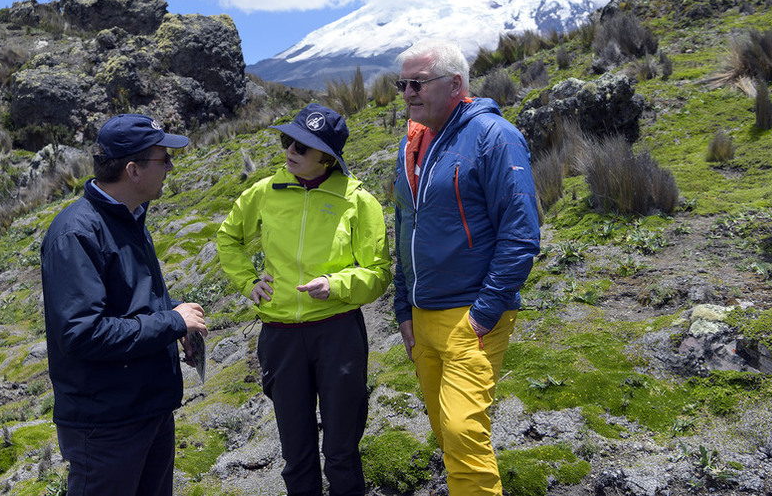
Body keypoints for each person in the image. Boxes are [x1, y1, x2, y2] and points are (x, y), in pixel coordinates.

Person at [217, 103, 392, 496]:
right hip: (280, 337)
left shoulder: (358, 200)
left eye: (302, 146)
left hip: (338, 334)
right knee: (296, 454)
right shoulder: (264, 192)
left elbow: (378, 272)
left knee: (342, 451)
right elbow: (228, 239)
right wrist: (248, 282)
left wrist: (337, 285)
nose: (290, 151)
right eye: (288, 141)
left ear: (327, 158)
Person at [392, 40, 541, 496]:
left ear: (455, 84)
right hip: (422, 319)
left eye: (418, 83)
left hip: (470, 317)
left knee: (462, 431)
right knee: (446, 433)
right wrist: (402, 309)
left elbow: (521, 232)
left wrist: (484, 311)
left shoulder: (497, 137)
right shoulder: (411, 144)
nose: (408, 93)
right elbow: (403, 229)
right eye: (403, 84)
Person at [40, 114, 208, 496]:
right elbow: (83, 333)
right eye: (163, 159)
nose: (170, 167)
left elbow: (131, 301)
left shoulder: (131, 218)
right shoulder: (76, 233)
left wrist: (178, 316)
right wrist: (170, 323)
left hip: (148, 408)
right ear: (133, 170)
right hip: (106, 426)